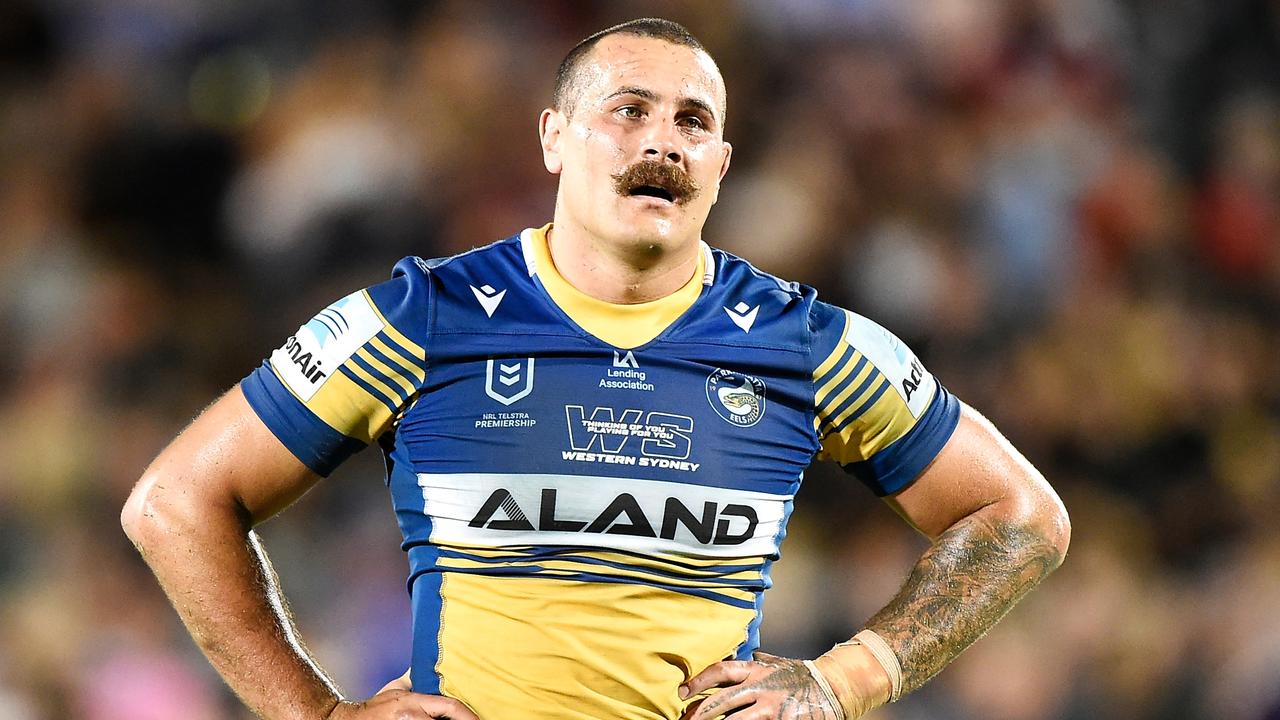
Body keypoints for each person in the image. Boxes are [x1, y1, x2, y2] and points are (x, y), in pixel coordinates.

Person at [122, 17, 1070, 720]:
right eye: (628, 111)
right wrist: (317, 715)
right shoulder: (427, 317)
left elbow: (1022, 517)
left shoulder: (804, 342)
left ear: (722, 163)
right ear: (553, 137)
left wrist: (846, 679)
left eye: (693, 122)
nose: (662, 140)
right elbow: (174, 501)